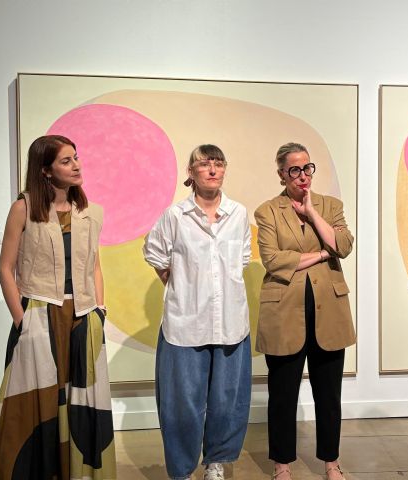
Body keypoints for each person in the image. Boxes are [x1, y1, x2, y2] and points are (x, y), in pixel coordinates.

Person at [0, 135, 116, 479]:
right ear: (45, 170)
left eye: (76, 157)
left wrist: (99, 310)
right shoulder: (24, 208)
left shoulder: (91, 212)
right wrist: (22, 321)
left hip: (83, 318)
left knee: (81, 405)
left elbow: (94, 266)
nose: (76, 165)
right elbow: (6, 269)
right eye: (65, 160)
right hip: (40, 316)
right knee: (33, 407)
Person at [143, 144, 252, 480]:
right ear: (190, 172)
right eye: (204, 164)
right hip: (185, 323)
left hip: (230, 321)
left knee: (227, 400)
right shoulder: (175, 216)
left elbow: (242, 258)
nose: (213, 169)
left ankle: (215, 462)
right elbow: (155, 253)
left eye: (218, 163)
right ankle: (181, 470)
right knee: (182, 403)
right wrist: (180, 285)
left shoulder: (238, 213)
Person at [254, 142, 355, 480]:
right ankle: (282, 464)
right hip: (284, 310)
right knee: (282, 394)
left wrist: (312, 212)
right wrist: (324, 254)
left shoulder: (330, 206)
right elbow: (274, 260)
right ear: (282, 174)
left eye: (307, 168)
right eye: (294, 170)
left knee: (329, 394)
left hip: (330, 310)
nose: (302, 176)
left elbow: (344, 245)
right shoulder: (267, 211)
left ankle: (331, 462)